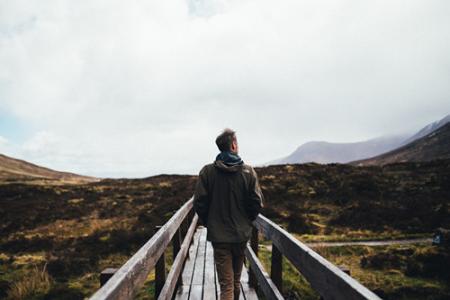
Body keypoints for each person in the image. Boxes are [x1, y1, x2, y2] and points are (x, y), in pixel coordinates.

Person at [193, 128, 264, 300]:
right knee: (235, 282)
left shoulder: (207, 172)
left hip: (220, 238)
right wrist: (247, 221)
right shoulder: (248, 172)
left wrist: (210, 222)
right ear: (233, 145)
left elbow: (199, 203)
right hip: (241, 236)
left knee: (226, 285)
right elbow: (257, 203)